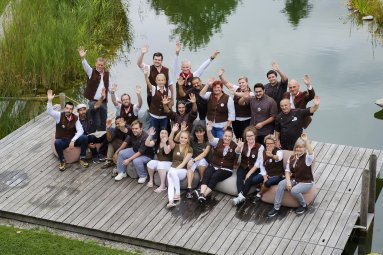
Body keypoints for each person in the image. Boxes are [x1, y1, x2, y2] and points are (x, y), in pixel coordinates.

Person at [267, 133, 315, 217]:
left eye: (301, 147)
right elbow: (287, 171)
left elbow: (311, 152)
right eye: (297, 147)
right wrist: (288, 182)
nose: (299, 149)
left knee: (294, 191)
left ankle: (304, 205)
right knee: (281, 184)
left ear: (304, 148)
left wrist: (306, 141)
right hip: (295, 180)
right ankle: (276, 208)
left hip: (306, 182)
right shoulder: (292, 157)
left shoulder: (307, 157)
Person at [194, 122, 237, 203]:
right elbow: (211, 139)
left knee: (215, 175)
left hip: (226, 169)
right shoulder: (218, 141)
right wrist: (209, 131)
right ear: (223, 135)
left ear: (232, 137)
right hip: (214, 165)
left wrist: (238, 148)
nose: (227, 138)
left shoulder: (235, 146)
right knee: (207, 172)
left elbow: (237, 154)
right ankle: (202, 193)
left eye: (229, 136)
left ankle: (203, 195)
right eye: (226, 136)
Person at [46, 90, 88, 171]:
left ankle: (82, 158)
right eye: (67, 108)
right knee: (57, 142)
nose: (68, 110)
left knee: (84, 138)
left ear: (72, 110)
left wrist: (73, 140)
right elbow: (50, 111)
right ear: (65, 108)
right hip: (62, 139)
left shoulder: (76, 118)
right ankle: (62, 161)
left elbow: (81, 130)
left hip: (71, 139)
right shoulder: (59, 115)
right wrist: (50, 100)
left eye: (70, 109)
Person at [78, 46, 110, 131]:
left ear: (104, 65)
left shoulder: (106, 74)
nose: (100, 66)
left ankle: (102, 139)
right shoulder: (91, 72)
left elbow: (107, 86)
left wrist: (113, 94)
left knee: (103, 122)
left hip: (103, 102)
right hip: (93, 101)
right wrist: (83, 58)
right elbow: (86, 66)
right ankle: (93, 138)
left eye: (101, 65)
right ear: (96, 64)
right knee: (95, 122)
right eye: (98, 64)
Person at [232, 126, 264, 205]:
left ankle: (241, 196)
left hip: (254, 168)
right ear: (245, 137)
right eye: (248, 136)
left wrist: (250, 172)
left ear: (255, 136)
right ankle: (240, 195)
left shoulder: (260, 147)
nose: (249, 137)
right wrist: (238, 147)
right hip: (243, 166)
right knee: (239, 175)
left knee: (249, 178)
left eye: (251, 135)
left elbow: (258, 163)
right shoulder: (242, 144)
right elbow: (236, 153)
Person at [218, 68, 254, 139]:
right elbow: (226, 83)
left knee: (246, 138)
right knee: (238, 137)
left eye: (243, 82)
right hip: (236, 119)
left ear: (247, 83)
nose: (241, 84)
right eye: (240, 83)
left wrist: (235, 93)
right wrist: (220, 76)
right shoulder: (237, 88)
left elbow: (241, 102)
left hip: (246, 120)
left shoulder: (251, 93)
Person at [166, 124, 193, 208]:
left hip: (182, 170)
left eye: (185, 138)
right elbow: (170, 139)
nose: (183, 139)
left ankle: (177, 193)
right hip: (173, 169)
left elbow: (184, 163)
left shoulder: (189, 149)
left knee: (171, 173)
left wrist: (174, 170)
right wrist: (173, 131)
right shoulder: (175, 146)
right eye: (181, 137)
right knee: (170, 183)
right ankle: (170, 201)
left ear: (188, 140)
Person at [181, 124, 211, 199]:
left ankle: (201, 181)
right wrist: (182, 131)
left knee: (202, 161)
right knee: (189, 166)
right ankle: (189, 188)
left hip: (203, 161)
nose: (198, 134)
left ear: (204, 132)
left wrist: (193, 160)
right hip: (193, 159)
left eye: (200, 132)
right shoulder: (192, 139)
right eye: (197, 132)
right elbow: (179, 139)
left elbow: (204, 154)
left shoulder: (207, 142)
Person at [253, 134, 284, 202]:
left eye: (271, 143)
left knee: (267, 183)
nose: (269, 145)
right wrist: (265, 177)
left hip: (277, 175)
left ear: (274, 143)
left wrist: (272, 155)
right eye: (267, 143)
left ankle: (259, 194)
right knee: (254, 179)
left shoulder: (279, 152)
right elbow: (262, 166)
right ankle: (259, 187)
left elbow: (278, 158)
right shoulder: (263, 152)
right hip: (267, 174)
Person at [144, 67, 169, 141]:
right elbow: (148, 83)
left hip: (164, 117)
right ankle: (153, 149)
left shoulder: (168, 91)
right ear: (156, 81)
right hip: (154, 116)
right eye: (159, 80)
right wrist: (145, 75)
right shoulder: (154, 89)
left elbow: (169, 104)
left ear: (165, 81)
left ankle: (162, 149)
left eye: (162, 80)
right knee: (153, 134)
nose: (161, 82)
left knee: (163, 134)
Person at [145, 127, 172, 193]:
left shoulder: (170, 143)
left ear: (168, 135)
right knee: (150, 163)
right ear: (159, 134)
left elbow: (166, 152)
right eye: (162, 133)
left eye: (165, 133)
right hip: (160, 162)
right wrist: (150, 135)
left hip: (169, 163)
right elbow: (147, 144)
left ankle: (163, 186)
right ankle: (151, 180)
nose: (163, 134)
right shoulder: (157, 141)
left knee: (161, 164)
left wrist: (165, 143)